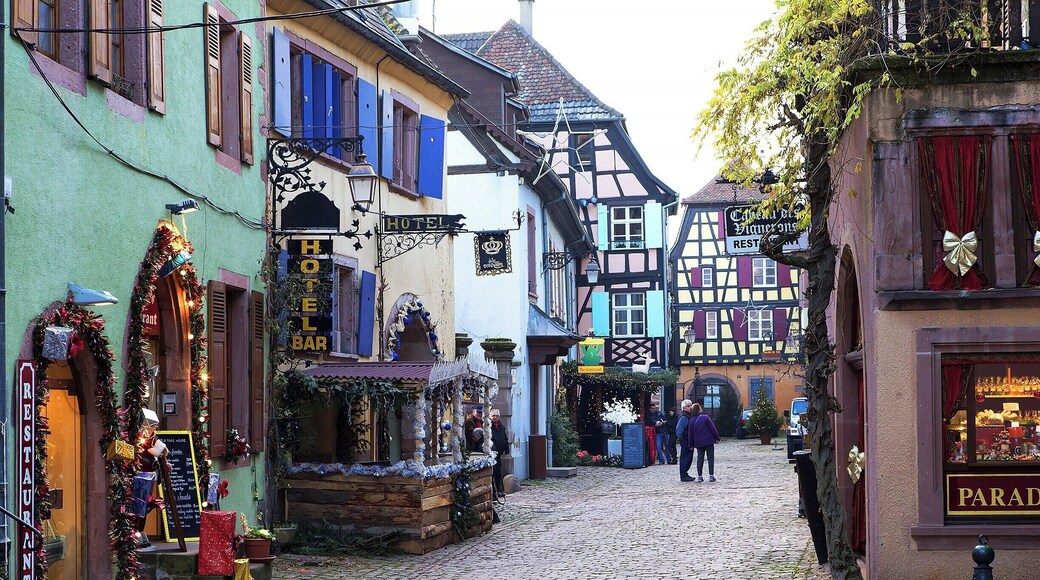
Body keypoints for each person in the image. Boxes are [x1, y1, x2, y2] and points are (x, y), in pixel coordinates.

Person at [687, 403, 721, 482]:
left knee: (700, 459)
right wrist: (717, 438)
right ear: (699, 409)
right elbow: (713, 429)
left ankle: (700, 476)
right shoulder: (705, 418)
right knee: (710, 458)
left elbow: (690, 435)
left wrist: (690, 445)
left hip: (698, 443)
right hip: (708, 441)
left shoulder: (691, 421)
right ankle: (711, 476)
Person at [489, 408, 509, 498]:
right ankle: (493, 491)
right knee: (493, 471)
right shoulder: (488, 426)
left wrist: (507, 450)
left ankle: (498, 488)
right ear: (490, 416)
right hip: (492, 453)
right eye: (493, 415)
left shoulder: (501, 427)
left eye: (497, 416)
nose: (495, 417)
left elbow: (505, 438)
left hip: (499, 453)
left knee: (498, 472)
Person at [675, 399, 695, 481]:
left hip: (689, 439)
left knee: (689, 457)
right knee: (685, 457)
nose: (690, 407)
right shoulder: (684, 417)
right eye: (688, 406)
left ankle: (685, 473)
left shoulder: (689, 415)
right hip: (685, 439)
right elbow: (679, 430)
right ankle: (683, 475)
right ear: (684, 407)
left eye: (691, 405)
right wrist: (681, 439)